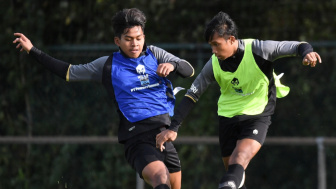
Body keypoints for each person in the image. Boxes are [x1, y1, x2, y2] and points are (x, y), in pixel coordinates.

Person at [13, 8, 194, 189]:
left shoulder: (155, 54)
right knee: (160, 178)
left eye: (139, 38)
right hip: (137, 138)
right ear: (117, 41)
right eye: (128, 39)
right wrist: (33, 50)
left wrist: (172, 64)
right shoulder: (107, 65)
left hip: (164, 134)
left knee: (172, 183)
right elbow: (69, 72)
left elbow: (189, 70)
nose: (135, 44)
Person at [156, 11, 322, 189]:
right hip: (227, 118)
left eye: (216, 45)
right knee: (233, 174)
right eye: (211, 46)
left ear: (232, 39)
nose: (213, 50)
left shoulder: (260, 49)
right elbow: (192, 95)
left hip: (258, 114)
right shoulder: (213, 64)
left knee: (239, 159)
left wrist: (307, 53)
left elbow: (298, 46)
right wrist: (173, 127)